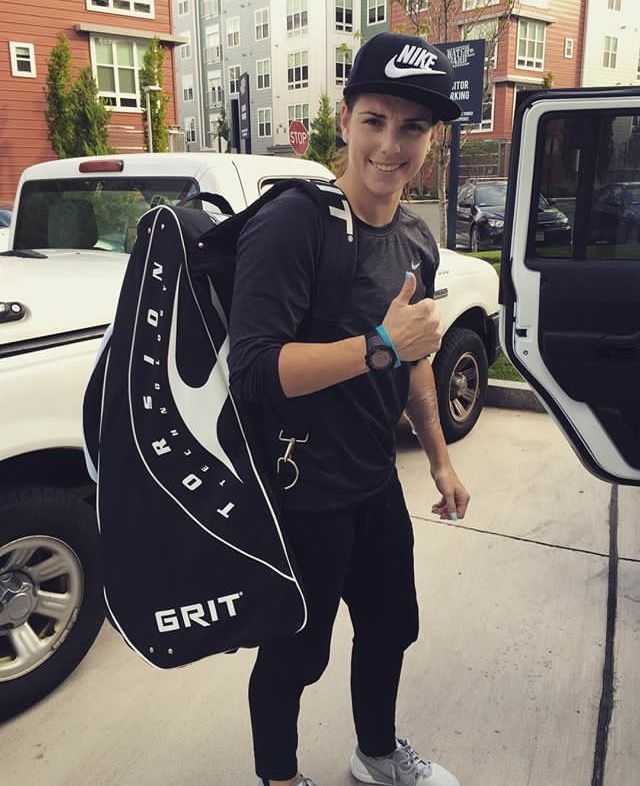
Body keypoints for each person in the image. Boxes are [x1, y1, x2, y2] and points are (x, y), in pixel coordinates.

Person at [228, 32, 470, 786]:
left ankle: (375, 754)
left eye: (412, 127)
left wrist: (438, 457)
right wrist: (377, 346)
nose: (391, 145)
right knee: (297, 653)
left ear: (432, 139)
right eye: (375, 119)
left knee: (390, 629)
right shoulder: (293, 223)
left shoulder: (415, 241)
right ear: (345, 119)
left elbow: (417, 356)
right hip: (302, 492)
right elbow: (257, 372)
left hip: (372, 482)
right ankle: (279, 778)